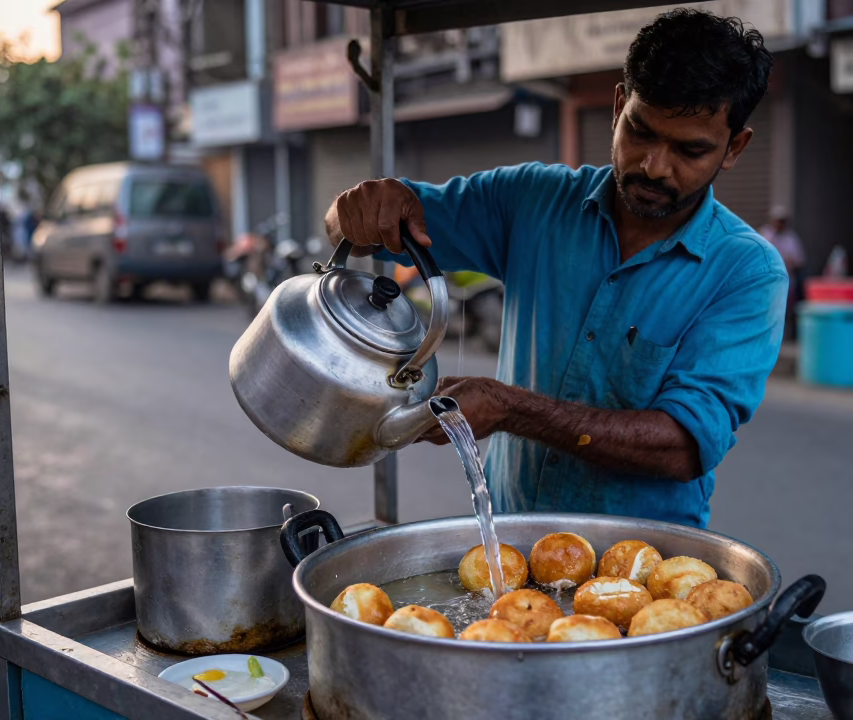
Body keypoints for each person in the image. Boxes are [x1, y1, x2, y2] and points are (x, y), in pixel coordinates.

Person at [325, 9, 785, 528]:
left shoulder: (747, 271)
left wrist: (511, 408)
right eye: (640, 131)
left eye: (690, 150)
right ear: (617, 108)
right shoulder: (530, 200)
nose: (655, 166)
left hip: (640, 577)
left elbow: (681, 447)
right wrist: (357, 209)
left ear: (733, 149)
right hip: (508, 552)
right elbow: (353, 227)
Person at [758, 205, 806, 340]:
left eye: (782, 221)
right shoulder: (765, 235)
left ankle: (782, 337)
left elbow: (798, 261)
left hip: (786, 279)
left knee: (783, 309)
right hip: (767, 280)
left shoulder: (791, 239)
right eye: (777, 220)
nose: (780, 224)